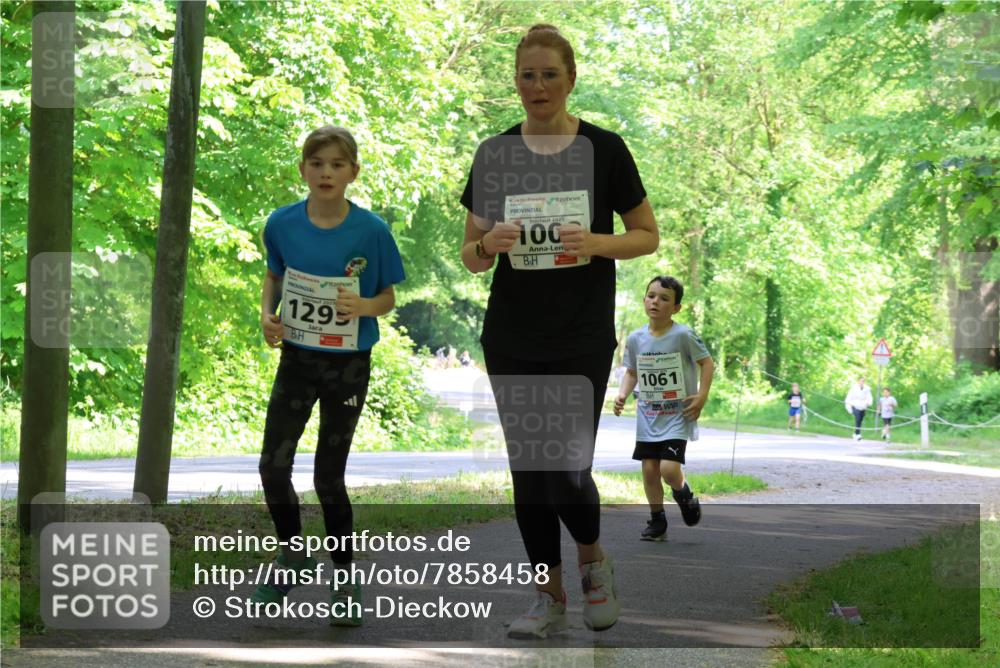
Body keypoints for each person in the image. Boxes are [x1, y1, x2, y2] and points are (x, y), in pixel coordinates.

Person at [459, 24, 659, 638]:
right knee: (529, 470)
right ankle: (547, 594)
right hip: (513, 333)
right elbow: (468, 252)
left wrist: (597, 242)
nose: (537, 86)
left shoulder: (605, 149)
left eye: (549, 74)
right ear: (515, 82)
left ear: (571, 80)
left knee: (566, 467)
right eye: (527, 75)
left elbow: (647, 235)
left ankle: (593, 562)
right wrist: (487, 243)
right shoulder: (495, 153)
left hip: (580, 332)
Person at [254, 125, 405, 626]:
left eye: (337, 165)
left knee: (328, 477)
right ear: (303, 169)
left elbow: (386, 297)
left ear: (353, 173)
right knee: (272, 467)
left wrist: (363, 305)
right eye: (317, 163)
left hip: (347, 365)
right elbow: (274, 276)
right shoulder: (281, 224)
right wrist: (266, 317)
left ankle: (344, 576)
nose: (326, 173)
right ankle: (291, 555)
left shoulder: (371, 231)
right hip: (297, 359)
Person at [613, 276, 714, 542]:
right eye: (651, 295)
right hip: (648, 417)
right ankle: (657, 521)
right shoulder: (635, 339)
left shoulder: (683, 335)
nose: (656, 301)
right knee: (649, 471)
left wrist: (701, 396)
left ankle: (683, 493)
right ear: (645, 300)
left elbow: (707, 363)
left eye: (664, 298)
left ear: (676, 307)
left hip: (678, 415)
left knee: (669, 470)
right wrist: (622, 393)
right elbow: (632, 372)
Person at [844, 376, 873, 441]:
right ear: (858, 381)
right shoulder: (853, 388)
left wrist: (868, 403)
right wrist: (848, 405)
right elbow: (849, 397)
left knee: (860, 419)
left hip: (863, 406)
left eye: (863, 381)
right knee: (858, 418)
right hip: (854, 405)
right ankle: (858, 434)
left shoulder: (867, 389)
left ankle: (855, 433)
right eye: (861, 381)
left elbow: (869, 397)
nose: (862, 382)